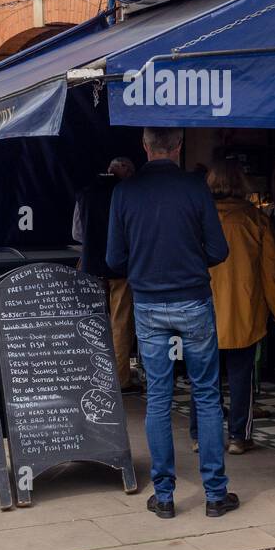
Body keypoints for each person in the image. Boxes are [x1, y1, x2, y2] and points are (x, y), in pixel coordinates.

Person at [106, 127, 236, 519]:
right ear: (178, 147)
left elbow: (114, 259)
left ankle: (164, 496)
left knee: (159, 399)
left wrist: (145, 265)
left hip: (148, 304)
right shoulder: (195, 189)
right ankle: (215, 495)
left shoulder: (125, 192)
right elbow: (218, 248)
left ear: (145, 147)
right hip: (194, 299)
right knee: (207, 395)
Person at [190, 160, 275, 453]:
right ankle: (238, 437)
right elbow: (272, 271)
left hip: (202, 312)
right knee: (241, 379)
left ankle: (200, 436)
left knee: (204, 380)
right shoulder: (255, 219)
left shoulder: (197, 219)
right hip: (245, 313)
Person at [72, 157, 139, 391]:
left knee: (91, 322)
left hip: (90, 266)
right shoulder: (126, 193)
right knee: (120, 322)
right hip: (120, 267)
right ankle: (120, 378)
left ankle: (92, 374)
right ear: (126, 171)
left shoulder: (85, 192)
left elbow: (77, 233)